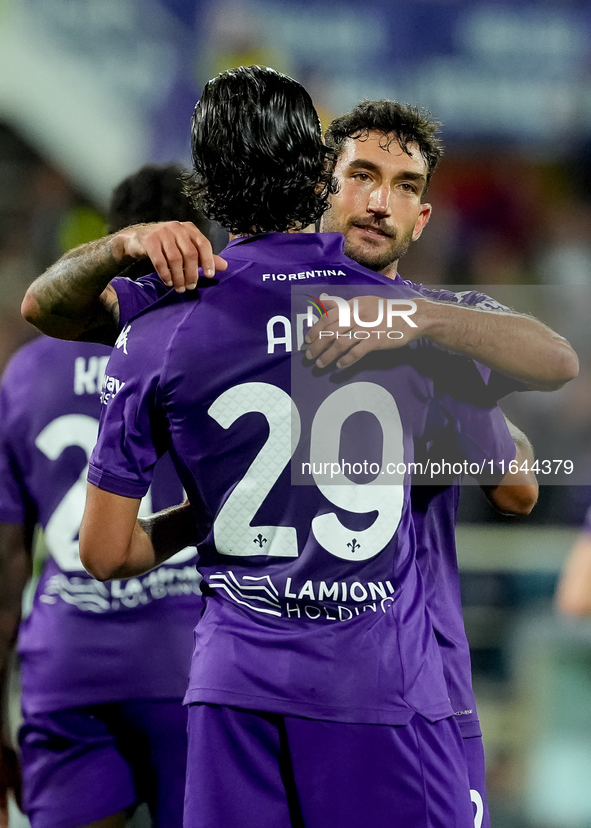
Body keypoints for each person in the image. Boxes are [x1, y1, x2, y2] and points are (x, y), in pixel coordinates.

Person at [20, 99, 550, 828]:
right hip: (386, 688)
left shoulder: (180, 317)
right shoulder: (428, 332)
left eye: (402, 185)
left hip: (273, 678)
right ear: (319, 186)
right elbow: (526, 458)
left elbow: (48, 315)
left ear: (422, 216)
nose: (376, 200)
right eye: (361, 175)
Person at [0, 164, 212, 828]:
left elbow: (5, 571)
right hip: (192, 661)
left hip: (67, 664)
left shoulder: (28, 369)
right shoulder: (212, 346)